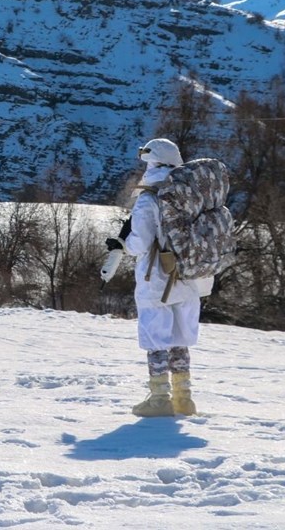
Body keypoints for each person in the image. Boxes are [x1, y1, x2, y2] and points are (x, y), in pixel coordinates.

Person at [107, 139, 214, 417]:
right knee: (180, 337)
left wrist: (123, 246)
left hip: (157, 277)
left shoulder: (149, 197)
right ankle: (184, 399)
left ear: (151, 162)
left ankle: (158, 399)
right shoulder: (194, 194)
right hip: (189, 276)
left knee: (156, 337)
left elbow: (141, 242)